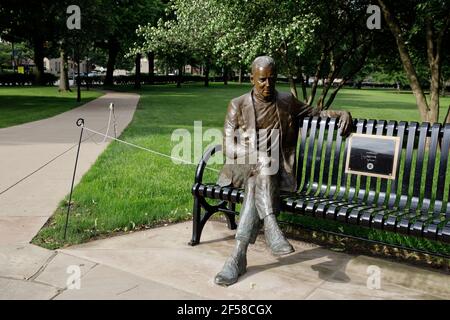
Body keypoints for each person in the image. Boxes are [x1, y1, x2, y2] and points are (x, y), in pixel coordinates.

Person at [214, 56, 353, 286]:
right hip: (242, 165)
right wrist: (257, 156)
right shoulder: (237, 104)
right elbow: (228, 147)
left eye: (271, 79)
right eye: (262, 80)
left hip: (272, 173)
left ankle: (237, 257)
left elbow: (317, 114)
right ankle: (270, 224)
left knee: (256, 183)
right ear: (252, 79)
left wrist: (341, 113)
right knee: (261, 164)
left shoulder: (287, 101)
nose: (268, 85)